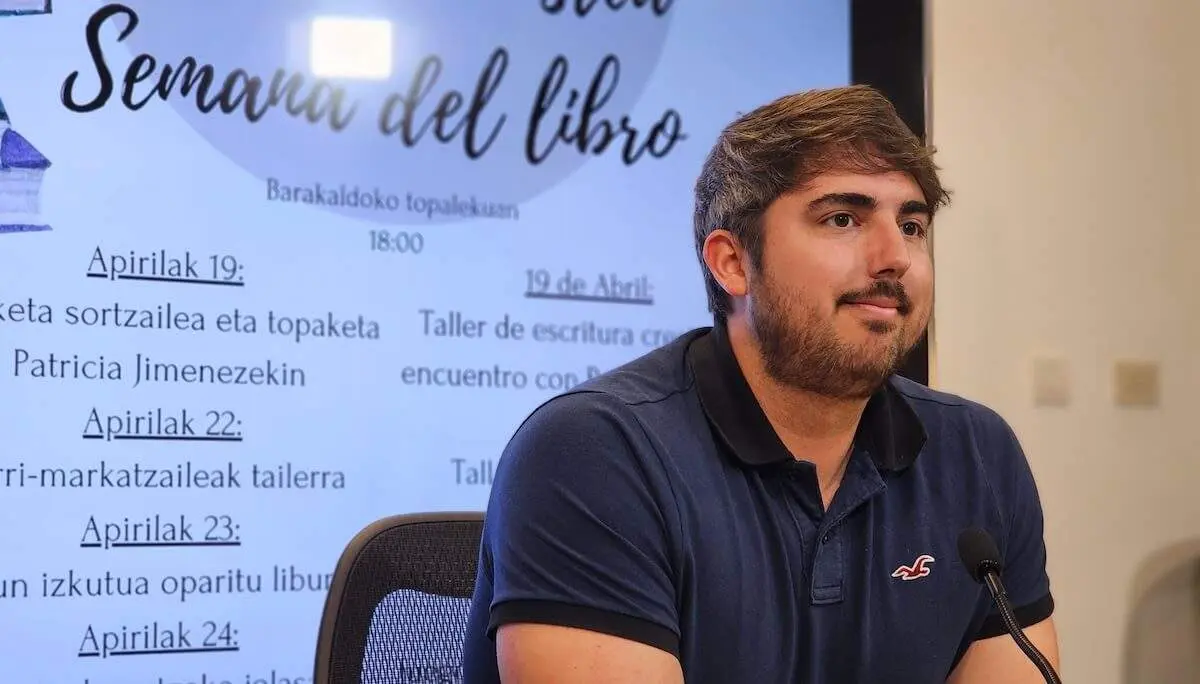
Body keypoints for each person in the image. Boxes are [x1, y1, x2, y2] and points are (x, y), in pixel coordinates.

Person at [461, 85, 1059, 683]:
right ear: (733, 263)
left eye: (911, 225)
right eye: (843, 218)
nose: (893, 256)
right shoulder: (595, 450)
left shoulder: (978, 452)